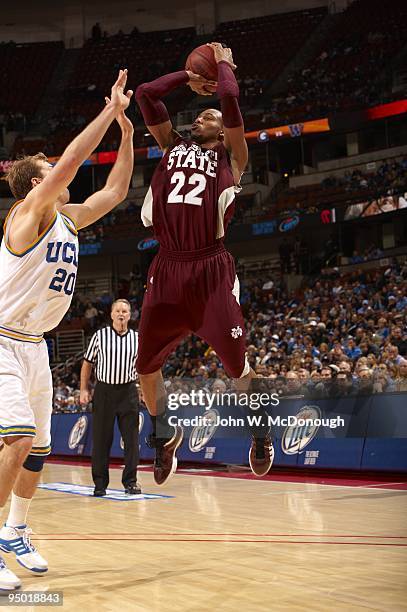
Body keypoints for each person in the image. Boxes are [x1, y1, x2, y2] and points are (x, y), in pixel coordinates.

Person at [0, 69, 133, 591]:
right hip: (2, 340)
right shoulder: (26, 214)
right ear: (37, 183)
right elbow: (76, 158)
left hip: (36, 346)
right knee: (15, 442)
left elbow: (118, 190)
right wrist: (106, 109)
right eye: (49, 168)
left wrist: (124, 132)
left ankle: (16, 531)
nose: (59, 169)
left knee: (37, 451)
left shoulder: (69, 218)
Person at [135, 42, 273, 486]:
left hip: (210, 270)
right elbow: (145, 94)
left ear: (222, 131)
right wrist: (187, 77)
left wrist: (226, 66)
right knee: (146, 367)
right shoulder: (170, 144)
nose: (200, 117)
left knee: (236, 368)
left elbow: (230, 101)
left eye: (207, 116)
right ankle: (163, 437)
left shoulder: (234, 157)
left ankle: (260, 432)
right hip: (169, 267)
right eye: (199, 113)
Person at [80, 299, 141, 497]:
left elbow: (144, 369)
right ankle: (100, 484)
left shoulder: (137, 338)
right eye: (118, 310)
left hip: (129, 391)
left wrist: (145, 392)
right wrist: (83, 389)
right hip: (104, 391)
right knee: (101, 440)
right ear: (112, 314)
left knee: (131, 440)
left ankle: (130, 482)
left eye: (125, 310)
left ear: (130, 315)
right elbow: (87, 363)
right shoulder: (100, 336)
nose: (121, 314)